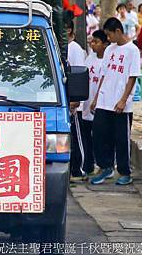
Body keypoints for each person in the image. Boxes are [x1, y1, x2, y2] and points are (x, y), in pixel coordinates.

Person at [89, 18, 140, 186]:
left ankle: (125, 172)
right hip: (105, 99)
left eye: (109, 34)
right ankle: (105, 167)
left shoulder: (132, 50)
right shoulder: (110, 49)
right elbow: (104, 74)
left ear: (118, 31)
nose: (108, 38)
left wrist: (124, 99)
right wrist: (96, 98)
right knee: (99, 135)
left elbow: (132, 77)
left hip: (120, 102)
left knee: (121, 139)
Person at [81, 30, 110, 176]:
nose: (93, 44)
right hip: (87, 103)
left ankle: (104, 165)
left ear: (105, 44)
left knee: (101, 137)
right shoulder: (89, 59)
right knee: (87, 137)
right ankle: (88, 166)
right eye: (92, 41)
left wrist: (97, 100)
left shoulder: (108, 60)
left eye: (96, 42)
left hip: (101, 105)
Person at [66, 19, 88, 180]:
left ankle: (78, 169)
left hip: (73, 100)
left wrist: (75, 99)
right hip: (63, 98)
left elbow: (78, 73)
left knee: (76, 136)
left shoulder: (75, 49)